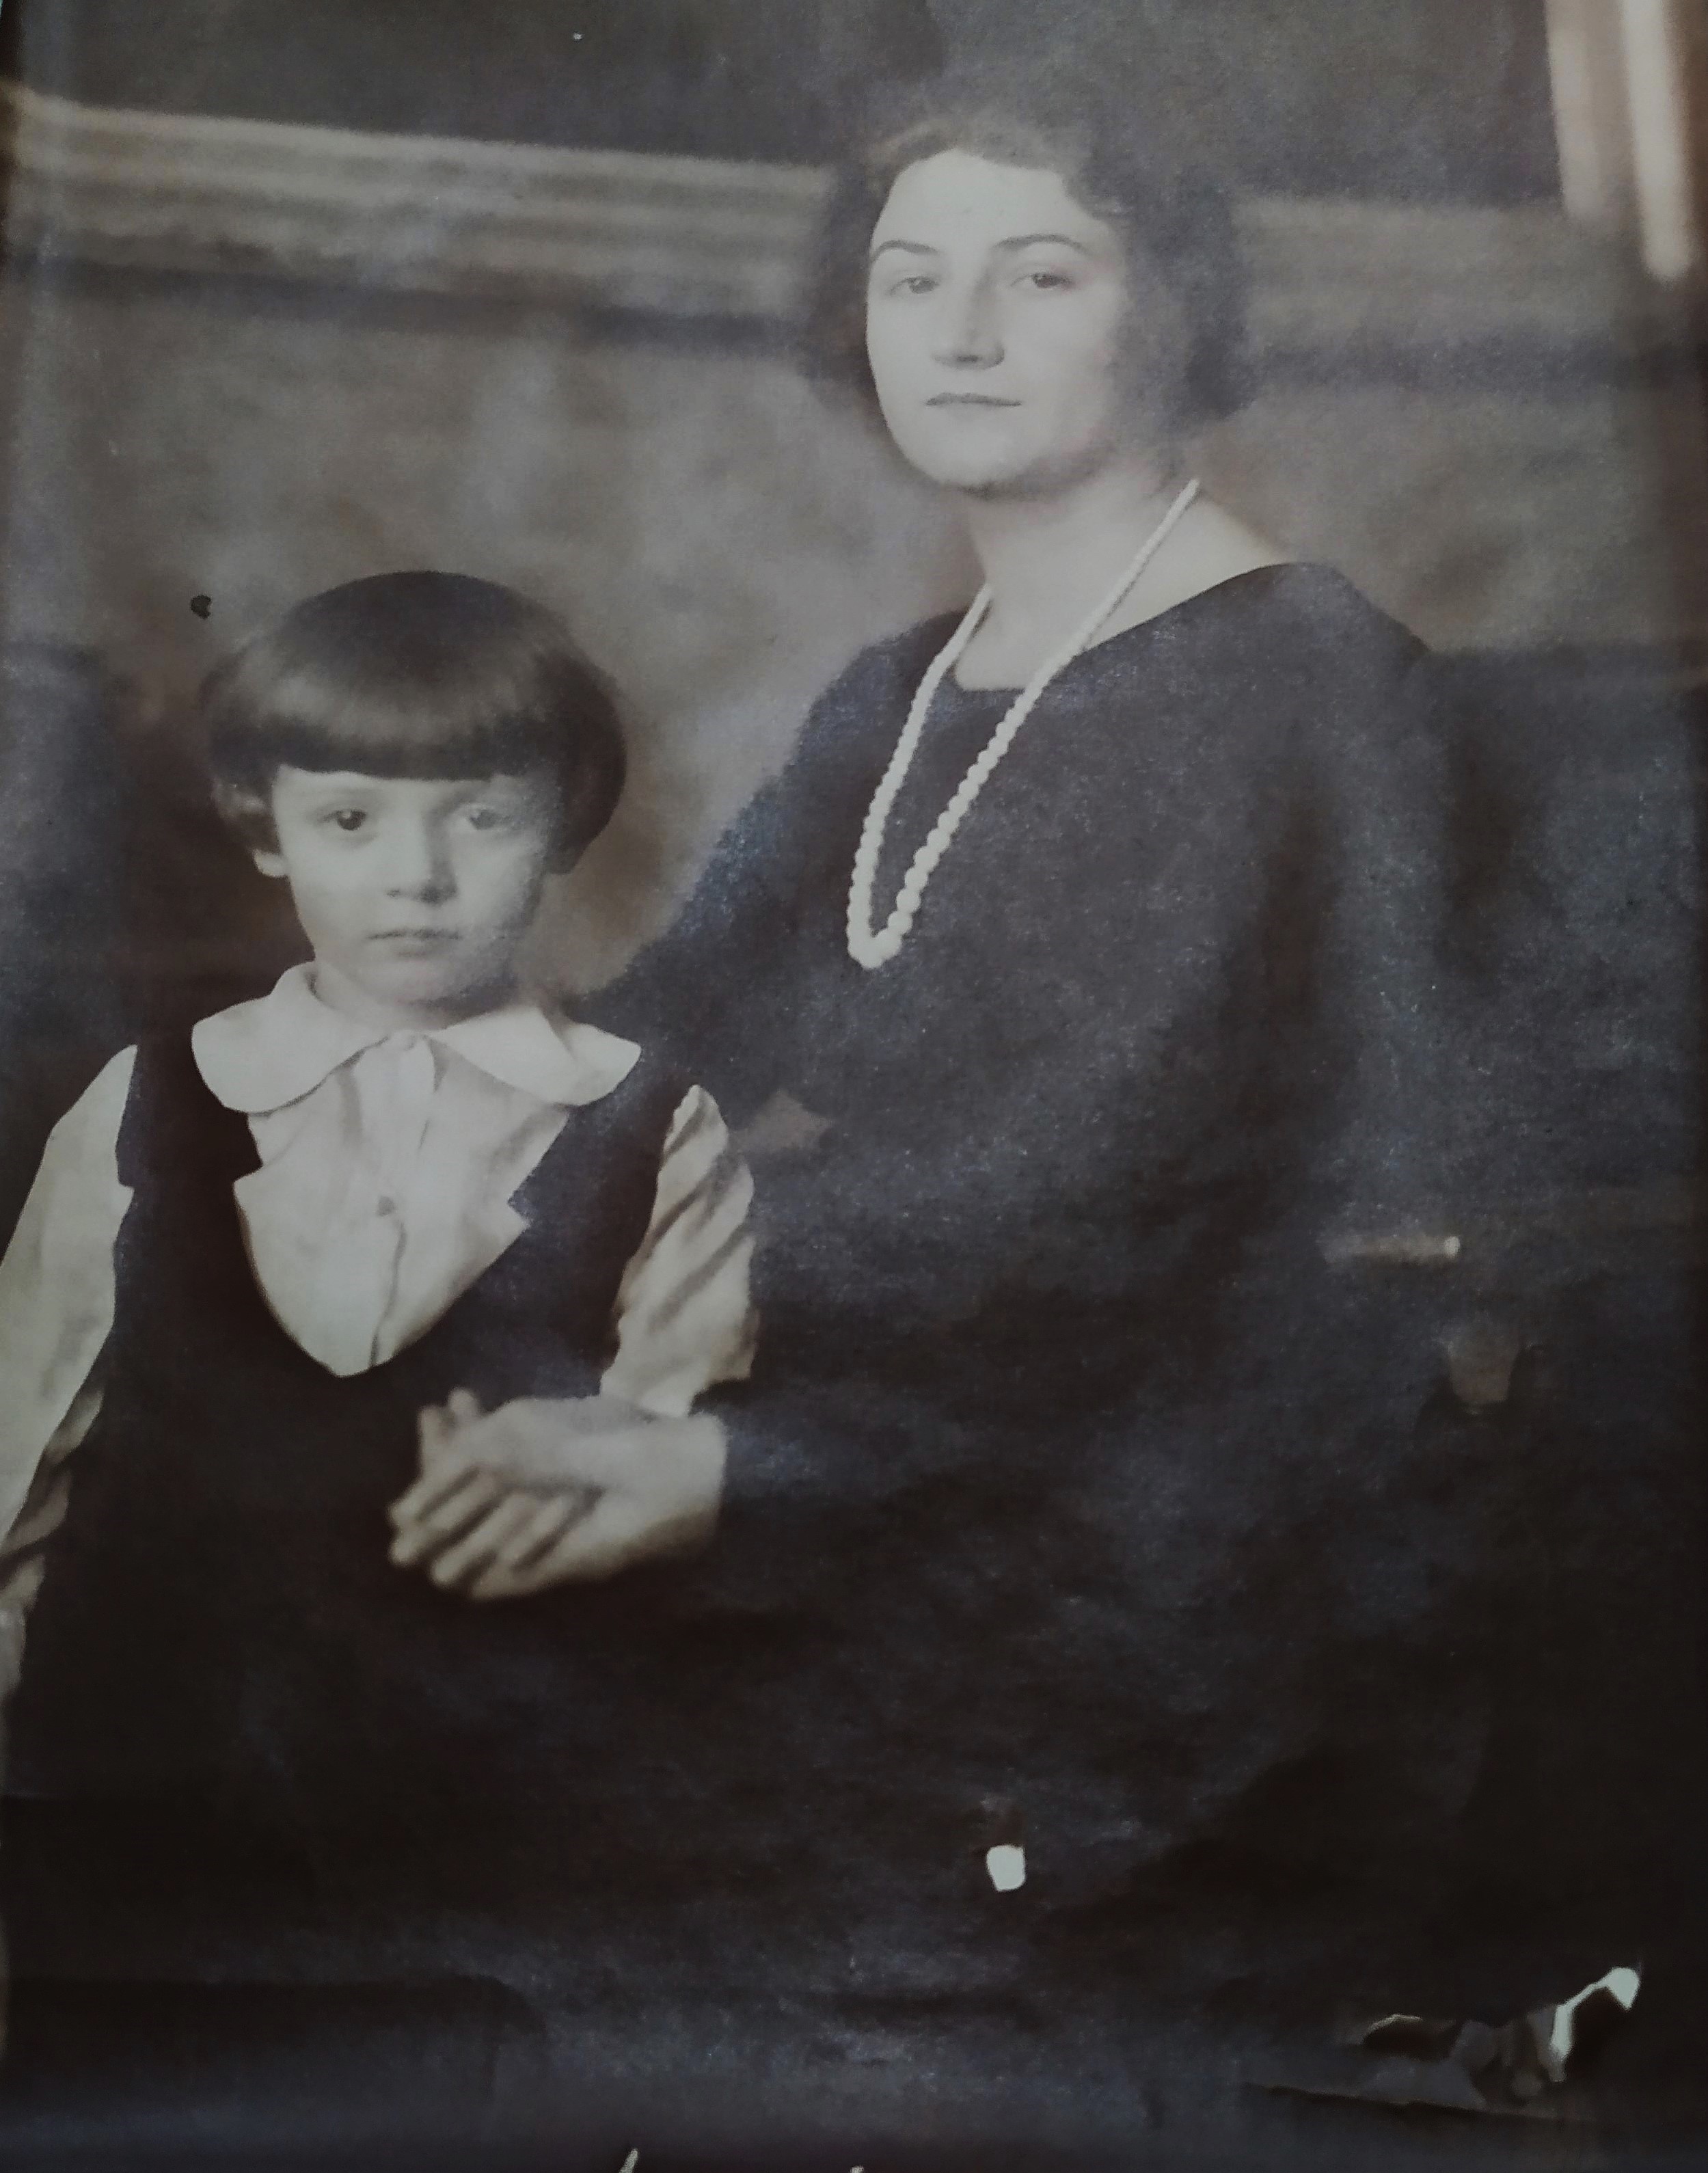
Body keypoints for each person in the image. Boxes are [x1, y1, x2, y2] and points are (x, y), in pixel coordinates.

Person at [582, 70, 1521, 2051]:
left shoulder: (1298, 676)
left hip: (1167, 1509)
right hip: (924, 1401)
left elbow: (1085, 1177)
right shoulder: (896, 693)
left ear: (1168, 305)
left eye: (1041, 270)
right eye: (910, 277)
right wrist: (403, 1167)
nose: (963, 330)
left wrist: (716, 1422)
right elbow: (655, 1030)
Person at [0, 572, 753, 2124]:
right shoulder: (149, 1104)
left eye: (476, 819)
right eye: (349, 823)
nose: (413, 877)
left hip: (484, 1869)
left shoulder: (652, 1126)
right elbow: (14, 1474)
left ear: (560, 822)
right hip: (128, 1848)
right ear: (264, 825)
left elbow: (689, 1487)